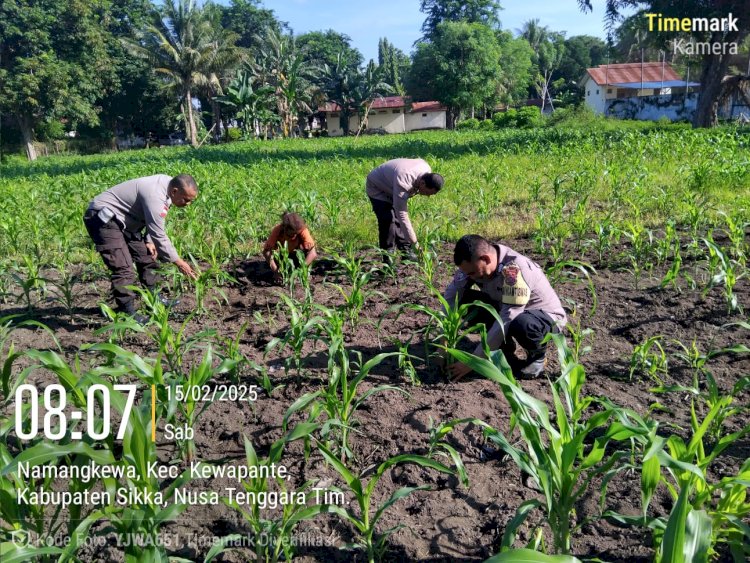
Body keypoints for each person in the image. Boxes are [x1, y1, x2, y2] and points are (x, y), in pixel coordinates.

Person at [443, 235, 567, 381]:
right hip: (505, 308)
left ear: (486, 259)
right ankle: (503, 350)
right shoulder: (472, 266)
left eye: (473, 273)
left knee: (521, 323)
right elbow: (451, 297)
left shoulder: (514, 269)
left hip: (543, 317)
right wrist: (442, 343)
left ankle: (537, 356)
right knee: (464, 300)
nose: (471, 277)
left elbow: (508, 317)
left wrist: (473, 362)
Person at [83, 174, 198, 320]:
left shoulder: (168, 185)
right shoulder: (155, 195)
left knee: (147, 256)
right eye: (186, 199)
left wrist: (149, 240)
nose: (187, 204)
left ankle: (154, 298)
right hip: (103, 219)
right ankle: (126, 311)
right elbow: (159, 234)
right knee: (123, 267)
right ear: (175, 191)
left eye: (190, 201)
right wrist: (179, 262)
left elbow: (156, 220)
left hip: (125, 221)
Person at [366, 158, 443, 253]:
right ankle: (388, 255)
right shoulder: (404, 182)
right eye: (427, 192)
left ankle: (406, 251)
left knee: (398, 221)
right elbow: (402, 214)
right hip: (377, 187)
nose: (427, 196)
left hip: (393, 183)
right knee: (387, 220)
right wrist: (415, 244)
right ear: (422, 183)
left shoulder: (426, 170)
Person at [263, 212, 318, 283]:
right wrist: (276, 271)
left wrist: (301, 270)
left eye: (296, 233)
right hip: (285, 256)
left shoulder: (302, 230)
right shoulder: (278, 230)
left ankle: (305, 273)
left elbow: (313, 253)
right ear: (285, 228)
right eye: (292, 233)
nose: (294, 235)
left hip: (300, 256)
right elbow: (266, 252)